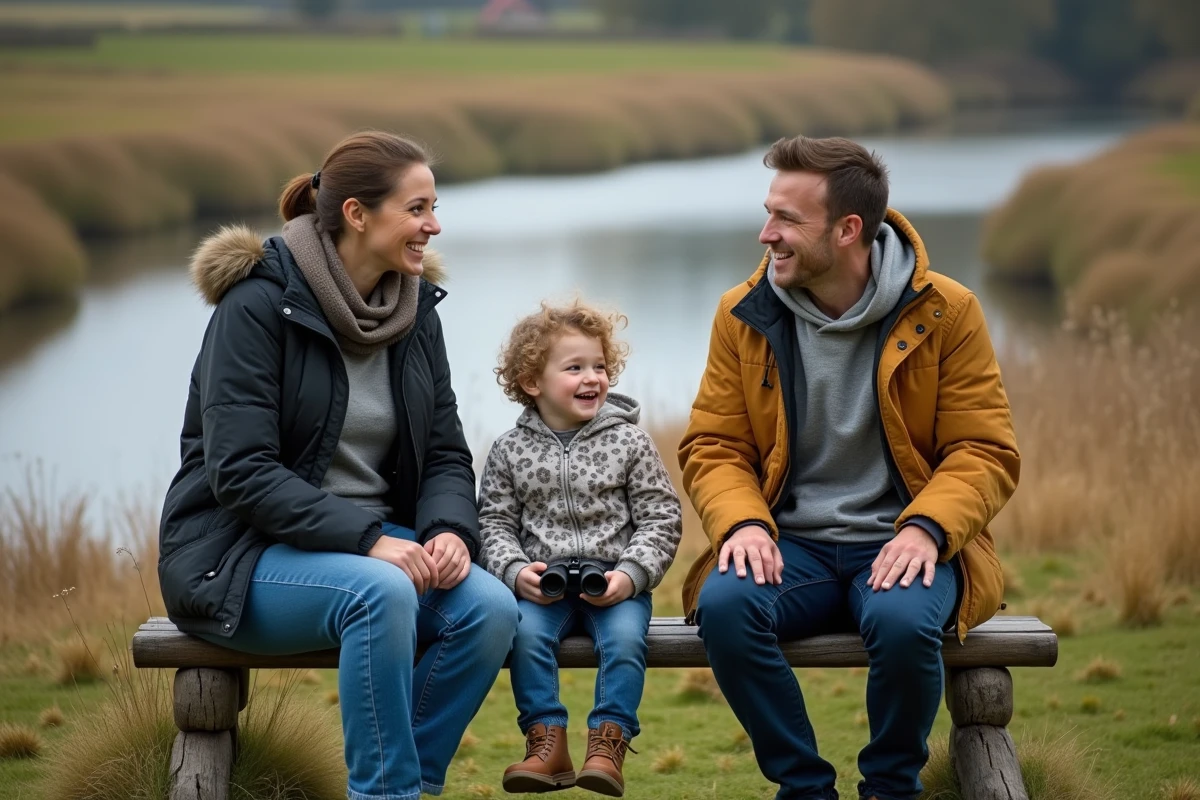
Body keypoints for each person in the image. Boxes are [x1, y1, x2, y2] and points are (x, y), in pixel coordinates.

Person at [158, 131, 519, 800]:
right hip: (238, 557)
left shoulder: (414, 311)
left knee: (492, 608)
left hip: (375, 547)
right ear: (357, 214)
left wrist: (447, 532)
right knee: (376, 593)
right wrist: (369, 541)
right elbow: (240, 472)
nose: (433, 226)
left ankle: (405, 788)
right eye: (417, 209)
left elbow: (443, 451)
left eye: (434, 207)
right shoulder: (257, 304)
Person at [677, 135, 1020, 800]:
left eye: (785, 220)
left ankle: (891, 788)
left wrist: (925, 529)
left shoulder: (949, 311)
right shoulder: (740, 314)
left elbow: (984, 451)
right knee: (724, 606)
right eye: (767, 211)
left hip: (904, 542)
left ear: (848, 229)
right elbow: (714, 447)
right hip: (789, 548)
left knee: (901, 622)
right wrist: (742, 525)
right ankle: (805, 789)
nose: (765, 233)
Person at [478, 301, 683, 797]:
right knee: (524, 637)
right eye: (574, 368)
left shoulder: (630, 442)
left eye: (599, 366)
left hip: (614, 584)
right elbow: (494, 522)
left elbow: (662, 516)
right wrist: (513, 571)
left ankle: (607, 744)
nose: (593, 377)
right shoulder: (509, 449)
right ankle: (546, 744)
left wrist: (631, 574)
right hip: (542, 584)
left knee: (625, 643)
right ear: (532, 381)